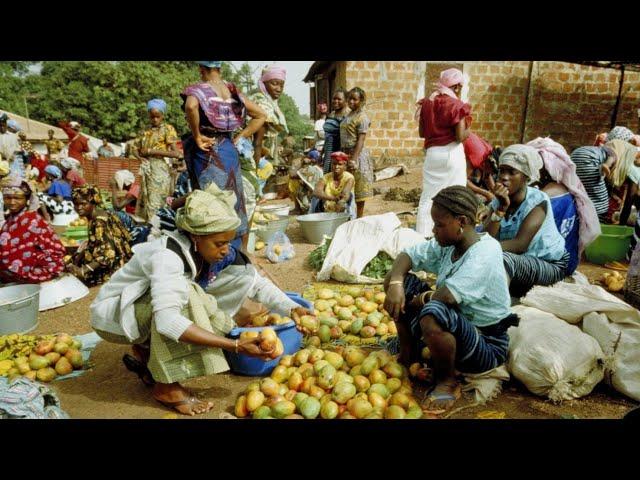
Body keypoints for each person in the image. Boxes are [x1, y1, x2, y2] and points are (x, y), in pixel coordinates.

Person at [90, 185, 313, 415]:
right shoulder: (168, 257)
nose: (226, 250)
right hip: (113, 317)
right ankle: (166, 388)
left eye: (229, 241)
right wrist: (235, 345)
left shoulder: (211, 249)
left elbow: (254, 282)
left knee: (204, 295)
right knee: (188, 297)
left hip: (139, 307)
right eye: (219, 243)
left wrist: (293, 308)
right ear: (196, 236)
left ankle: (147, 358)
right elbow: (167, 321)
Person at [384, 186, 517, 411]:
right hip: (455, 324)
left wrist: (418, 300)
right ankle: (409, 355)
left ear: (461, 222)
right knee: (397, 284)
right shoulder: (451, 244)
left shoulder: (485, 252)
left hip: (485, 343)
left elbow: (446, 297)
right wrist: (396, 281)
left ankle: (447, 381)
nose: (434, 230)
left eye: (439, 224)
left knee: (433, 312)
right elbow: (408, 255)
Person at [181, 61, 266, 250]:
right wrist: (241, 135)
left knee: (211, 200)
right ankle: (237, 252)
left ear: (201, 69)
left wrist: (196, 136)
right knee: (234, 198)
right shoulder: (232, 91)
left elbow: (191, 106)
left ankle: (214, 254)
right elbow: (261, 114)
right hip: (228, 148)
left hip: (208, 151)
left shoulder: (198, 89)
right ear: (220, 69)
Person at [484, 145, 570, 297]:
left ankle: (498, 309)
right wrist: (501, 209)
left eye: (512, 172)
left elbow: (520, 245)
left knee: (502, 259)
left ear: (526, 178)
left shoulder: (538, 201)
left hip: (549, 263)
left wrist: (481, 249)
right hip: (521, 262)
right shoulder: (498, 201)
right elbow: (487, 236)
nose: (504, 177)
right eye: (502, 171)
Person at [527, 137, 601, 276]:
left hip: (548, 266)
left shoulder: (545, 197)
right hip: (569, 262)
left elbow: (526, 239)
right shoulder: (569, 192)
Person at [415, 68, 472, 235]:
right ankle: (454, 234)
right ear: (456, 87)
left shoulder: (427, 103)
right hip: (451, 153)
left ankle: (423, 235)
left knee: (428, 197)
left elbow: (421, 133)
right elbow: (460, 136)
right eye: (459, 87)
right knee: (456, 195)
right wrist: (469, 130)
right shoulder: (456, 105)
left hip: (432, 154)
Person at [0, 175, 66, 284]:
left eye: (17, 198)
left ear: (26, 199)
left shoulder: (30, 220)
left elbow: (21, 252)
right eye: (8, 198)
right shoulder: (11, 219)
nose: (12, 202)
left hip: (44, 266)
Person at [66, 185, 133, 286]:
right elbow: (96, 243)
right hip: (122, 262)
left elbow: (107, 254)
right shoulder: (104, 213)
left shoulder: (98, 222)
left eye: (83, 204)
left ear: (93, 203)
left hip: (113, 269)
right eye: (76, 204)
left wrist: (84, 270)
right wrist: (77, 258)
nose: (79, 207)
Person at [132, 99, 182, 222]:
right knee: (146, 199)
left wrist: (151, 152)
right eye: (152, 117)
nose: (155, 120)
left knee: (157, 201)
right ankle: (148, 228)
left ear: (163, 116)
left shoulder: (167, 129)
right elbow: (134, 148)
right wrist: (140, 157)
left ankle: (157, 227)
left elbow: (177, 154)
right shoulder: (145, 130)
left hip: (160, 171)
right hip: (147, 169)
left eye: (157, 117)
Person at [341, 87, 373, 218]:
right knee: (347, 186)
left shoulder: (362, 117)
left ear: (361, 100)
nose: (351, 102)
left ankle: (359, 218)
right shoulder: (349, 115)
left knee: (359, 189)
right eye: (349, 99)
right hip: (345, 154)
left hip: (357, 155)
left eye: (354, 99)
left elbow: (361, 140)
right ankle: (348, 215)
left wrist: (353, 159)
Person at [251, 65, 289, 168]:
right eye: (274, 84)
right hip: (254, 157)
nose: (279, 89)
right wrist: (256, 170)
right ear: (264, 83)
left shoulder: (270, 103)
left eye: (281, 85)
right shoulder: (262, 104)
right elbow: (257, 142)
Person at [312, 151, 355, 217]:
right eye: (334, 164)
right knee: (315, 198)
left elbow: (345, 194)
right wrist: (333, 198)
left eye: (340, 164)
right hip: (328, 207)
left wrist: (341, 201)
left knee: (350, 196)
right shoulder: (326, 177)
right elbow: (316, 192)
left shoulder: (349, 177)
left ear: (344, 166)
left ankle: (349, 218)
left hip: (343, 207)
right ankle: (314, 218)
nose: (336, 166)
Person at [322, 88, 349, 174]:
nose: (336, 101)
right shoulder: (332, 114)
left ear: (346, 101)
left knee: (336, 175)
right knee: (327, 174)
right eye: (334, 98)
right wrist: (322, 151)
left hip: (338, 151)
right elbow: (327, 136)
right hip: (328, 150)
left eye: (339, 99)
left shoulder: (347, 116)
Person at [289, 149, 324, 213]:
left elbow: (292, 174)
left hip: (315, 197)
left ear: (311, 159)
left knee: (294, 184)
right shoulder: (322, 168)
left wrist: (301, 163)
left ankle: (306, 206)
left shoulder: (311, 169)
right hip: (322, 197)